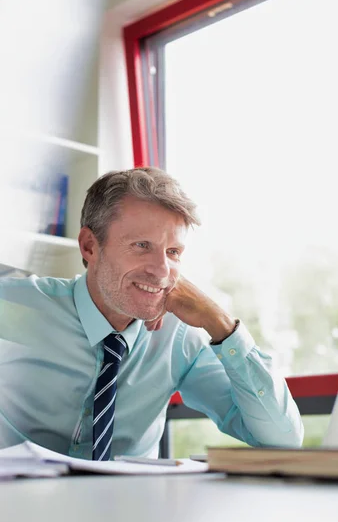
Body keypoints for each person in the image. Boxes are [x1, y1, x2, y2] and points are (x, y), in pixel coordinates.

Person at [0, 167, 303, 460]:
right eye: (142, 245)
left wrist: (220, 323)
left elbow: (282, 441)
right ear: (90, 246)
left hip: (128, 508)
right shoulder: (17, 304)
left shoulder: (180, 338)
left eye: (173, 252)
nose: (161, 271)